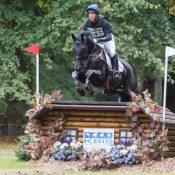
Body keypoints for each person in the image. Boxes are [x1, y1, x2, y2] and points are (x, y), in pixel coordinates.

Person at [82, 4, 121, 80]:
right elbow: (83, 34)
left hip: (107, 40)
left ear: (96, 14)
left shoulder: (103, 22)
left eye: (93, 14)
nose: (91, 16)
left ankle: (116, 71)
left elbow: (109, 36)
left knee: (112, 52)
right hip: (95, 42)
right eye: (90, 14)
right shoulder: (87, 23)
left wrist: (99, 40)